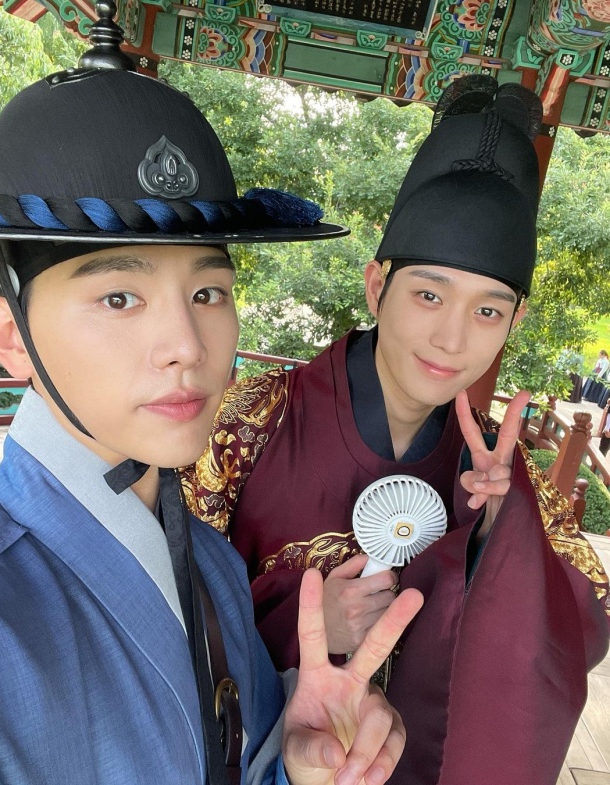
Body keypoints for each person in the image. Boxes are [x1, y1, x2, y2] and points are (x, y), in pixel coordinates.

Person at [0, 8, 425, 785]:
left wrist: (296, 761)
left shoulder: (212, 561)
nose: (187, 344)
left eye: (209, 292)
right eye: (119, 296)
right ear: (11, 336)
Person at [184, 75, 610, 785]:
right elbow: (157, 590)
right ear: (377, 286)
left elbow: (586, 623)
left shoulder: (500, 473)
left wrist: (501, 534)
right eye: (429, 294)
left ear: (514, 321)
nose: (452, 338)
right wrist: (300, 624)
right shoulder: (250, 422)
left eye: (488, 310)